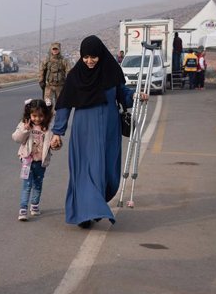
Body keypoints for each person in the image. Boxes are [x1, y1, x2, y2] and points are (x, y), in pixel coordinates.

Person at [49, 35, 147, 229]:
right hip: (84, 131)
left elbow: (122, 93)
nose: (89, 61)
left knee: (109, 171)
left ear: (101, 55)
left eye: (93, 56)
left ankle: (95, 204)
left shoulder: (111, 71)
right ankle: (86, 212)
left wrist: (135, 95)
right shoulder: (75, 76)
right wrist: (57, 132)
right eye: (85, 57)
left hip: (110, 130)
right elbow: (64, 105)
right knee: (86, 170)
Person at [11, 98, 54, 221]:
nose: (37, 118)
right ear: (29, 114)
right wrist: (25, 129)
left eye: (40, 116)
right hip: (27, 161)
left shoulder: (48, 128)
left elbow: (53, 144)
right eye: (34, 115)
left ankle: (34, 205)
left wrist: (56, 144)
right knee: (27, 185)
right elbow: (16, 138)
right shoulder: (25, 125)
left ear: (45, 115)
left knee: (38, 184)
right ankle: (23, 209)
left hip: (41, 161)